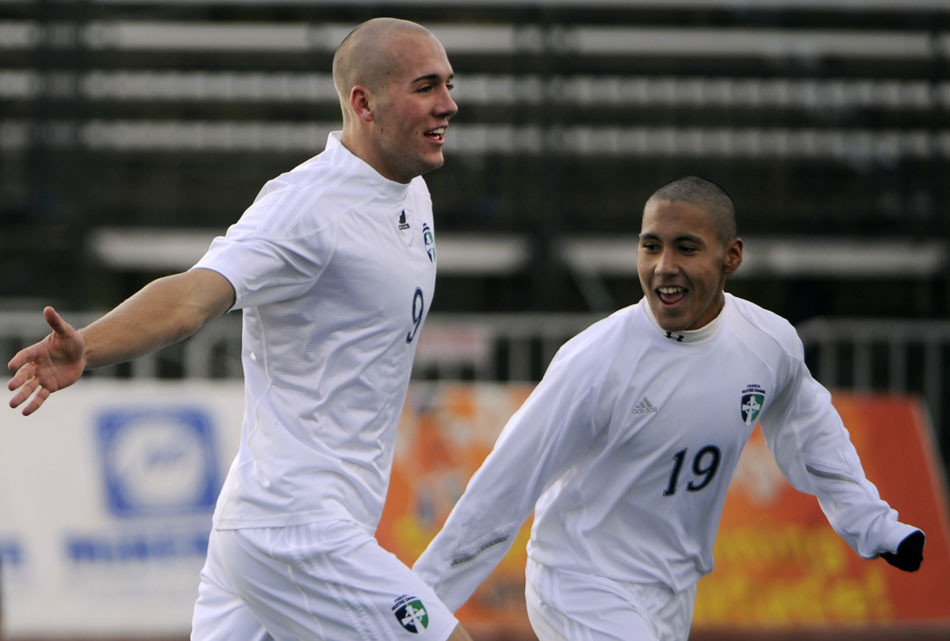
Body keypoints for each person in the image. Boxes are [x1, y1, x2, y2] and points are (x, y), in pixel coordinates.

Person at [7, 17, 472, 641]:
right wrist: (90, 346)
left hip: (272, 527)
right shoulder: (305, 206)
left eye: (447, 83)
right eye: (425, 87)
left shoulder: (412, 194)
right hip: (294, 529)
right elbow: (193, 297)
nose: (449, 103)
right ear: (363, 102)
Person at [412, 176, 925, 641]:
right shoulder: (595, 361)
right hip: (581, 581)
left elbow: (813, 435)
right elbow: (503, 486)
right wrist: (417, 606)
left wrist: (874, 525)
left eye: (686, 248)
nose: (664, 267)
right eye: (650, 246)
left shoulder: (769, 343)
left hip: (673, 591)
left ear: (732, 256)